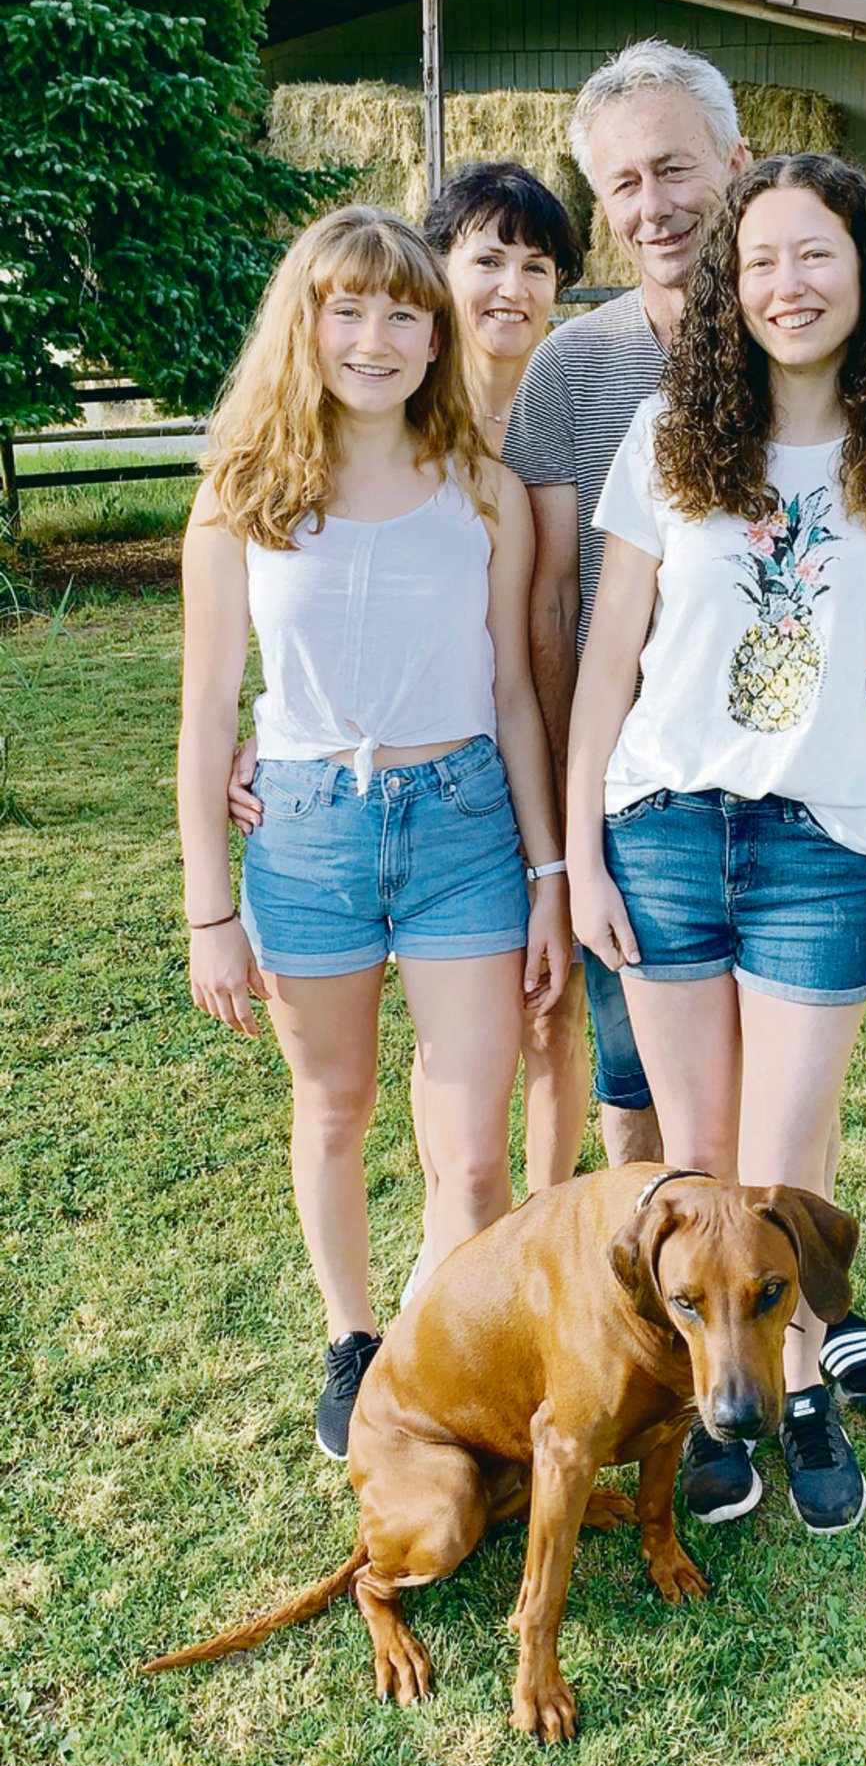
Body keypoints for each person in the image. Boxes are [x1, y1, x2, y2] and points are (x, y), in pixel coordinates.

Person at [566, 154, 866, 1533]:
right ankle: (715, 1404)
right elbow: (608, 658)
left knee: (785, 1167)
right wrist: (580, 853)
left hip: (822, 848)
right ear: (728, 287)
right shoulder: (664, 439)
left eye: (814, 255)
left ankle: (800, 1388)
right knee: (697, 1160)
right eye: (758, 261)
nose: (786, 284)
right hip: (662, 830)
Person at [505, 37, 866, 1409]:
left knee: (791, 1083)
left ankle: (802, 1305)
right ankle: (671, 1333)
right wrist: (575, 839)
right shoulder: (576, 374)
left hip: (791, 794)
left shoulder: (827, 340)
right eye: (621, 183)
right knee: (645, 1093)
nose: (652, 204)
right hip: (640, 801)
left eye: (674, 168)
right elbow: (559, 612)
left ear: (737, 164)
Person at [178, 205, 570, 1459]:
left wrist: (549, 873)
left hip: (463, 828)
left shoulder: (483, 494)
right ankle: (353, 1338)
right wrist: (209, 910)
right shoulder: (240, 498)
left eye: (403, 313)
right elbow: (205, 716)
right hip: (304, 832)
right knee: (335, 1103)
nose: (375, 338)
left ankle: (451, 1340)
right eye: (346, 309)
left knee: (470, 1150)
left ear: (434, 336)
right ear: (303, 325)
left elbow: (512, 693)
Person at [231, 165, 593, 1260]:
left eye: (538, 265)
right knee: (395, 1090)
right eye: (487, 259)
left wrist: (551, 853)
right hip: (349, 798)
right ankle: (440, 1287)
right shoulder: (331, 423)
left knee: (543, 1031)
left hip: (528, 755)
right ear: (442, 276)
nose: (512, 286)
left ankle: (522, 1260)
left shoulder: (560, 397)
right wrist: (278, 732)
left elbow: (519, 649)